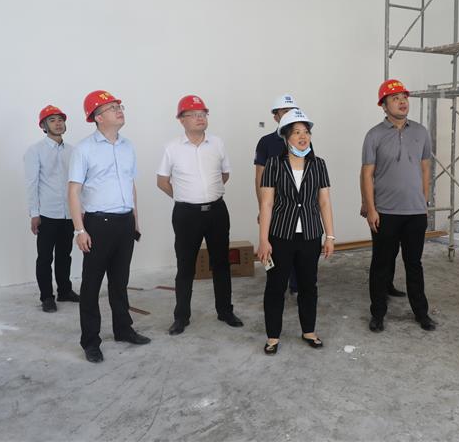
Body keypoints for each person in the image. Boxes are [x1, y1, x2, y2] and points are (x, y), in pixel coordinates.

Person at [68, 90, 150, 363]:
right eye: (112, 107)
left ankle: (123, 329)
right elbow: (73, 191)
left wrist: (135, 219)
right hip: (98, 224)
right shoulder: (84, 149)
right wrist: (80, 230)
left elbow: (130, 184)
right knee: (91, 286)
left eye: (119, 106)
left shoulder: (127, 146)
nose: (119, 110)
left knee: (120, 281)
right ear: (97, 117)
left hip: (124, 222)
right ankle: (90, 341)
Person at [157, 94, 244, 336]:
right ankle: (181, 317)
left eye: (203, 114)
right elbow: (162, 181)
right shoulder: (172, 147)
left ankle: (225, 311)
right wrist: (184, 196)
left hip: (217, 212)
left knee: (221, 263)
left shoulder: (217, 143)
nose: (200, 118)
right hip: (187, 215)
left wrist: (209, 192)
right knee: (186, 266)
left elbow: (225, 174)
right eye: (194, 114)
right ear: (181, 120)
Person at [360, 79, 438, 333]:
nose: (402, 102)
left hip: (415, 212)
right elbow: (367, 174)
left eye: (404, 97)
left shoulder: (421, 132)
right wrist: (371, 209)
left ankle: (421, 313)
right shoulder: (374, 135)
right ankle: (378, 314)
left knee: (414, 264)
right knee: (381, 265)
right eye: (395, 98)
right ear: (383, 106)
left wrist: (424, 201)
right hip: (385, 212)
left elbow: (425, 168)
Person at [257, 108, 335, 355]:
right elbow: (267, 204)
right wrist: (263, 239)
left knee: (308, 285)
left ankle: (308, 330)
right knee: (276, 286)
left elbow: (324, 202)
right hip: (280, 236)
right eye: (297, 132)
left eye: (306, 132)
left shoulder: (319, 165)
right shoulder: (274, 164)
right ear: (286, 137)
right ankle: (272, 336)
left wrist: (330, 236)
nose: (303, 137)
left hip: (310, 236)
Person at [23, 105, 80, 313]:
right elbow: (32, 183)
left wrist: (80, 210)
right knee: (45, 257)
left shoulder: (73, 151)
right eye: (52, 120)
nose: (58, 123)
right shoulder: (35, 151)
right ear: (43, 126)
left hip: (69, 213)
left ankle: (65, 290)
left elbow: (78, 183)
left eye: (60, 119)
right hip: (47, 213)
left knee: (65, 254)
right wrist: (34, 213)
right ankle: (47, 297)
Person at [254, 94, 300, 294]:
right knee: (275, 249)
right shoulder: (266, 142)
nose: (289, 115)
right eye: (285, 111)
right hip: (275, 206)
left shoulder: (302, 139)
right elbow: (260, 177)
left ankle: (296, 285)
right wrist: (262, 208)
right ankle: (276, 286)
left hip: (297, 205)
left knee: (298, 246)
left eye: (292, 111)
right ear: (276, 116)